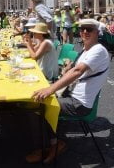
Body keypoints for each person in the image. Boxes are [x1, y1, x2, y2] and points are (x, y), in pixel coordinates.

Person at [26, 19, 110, 164]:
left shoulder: (98, 50)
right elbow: (75, 69)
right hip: (71, 95)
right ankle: (50, 142)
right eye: (82, 29)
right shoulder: (86, 50)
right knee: (35, 96)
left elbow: (78, 71)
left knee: (37, 107)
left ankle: (50, 146)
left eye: (89, 29)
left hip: (79, 104)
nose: (84, 32)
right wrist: (67, 68)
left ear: (97, 32)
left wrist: (51, 88)